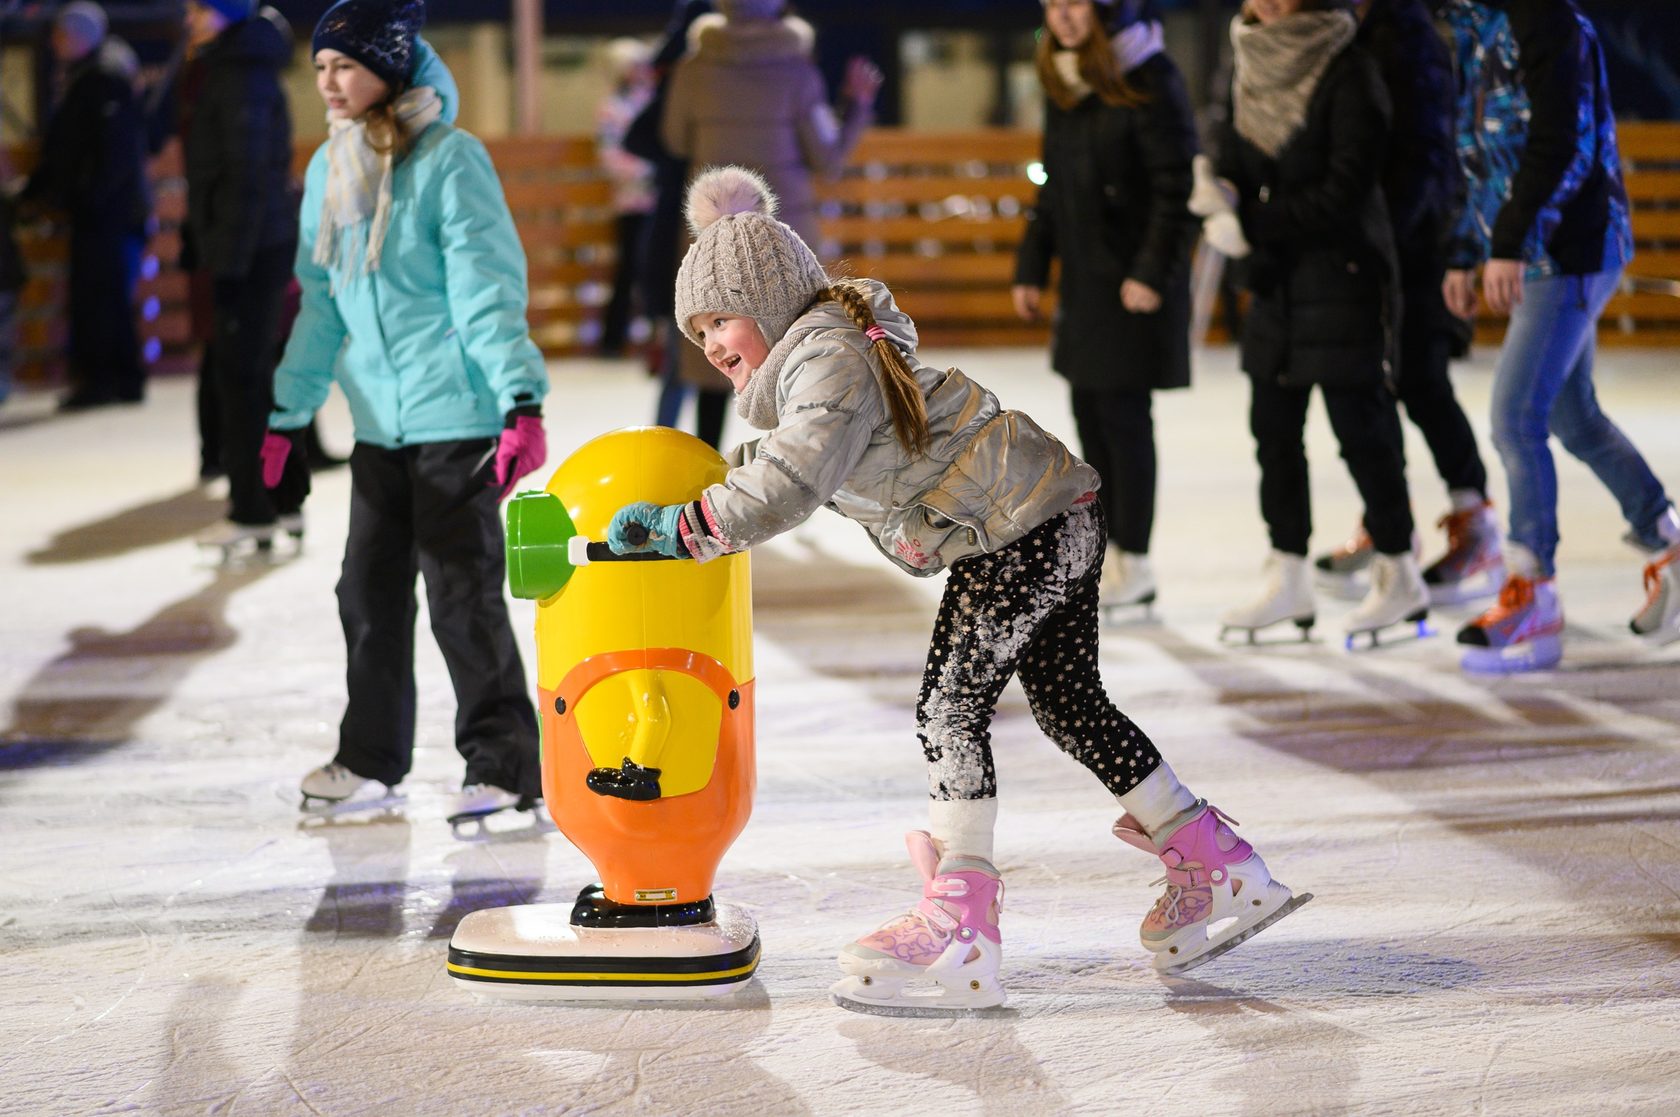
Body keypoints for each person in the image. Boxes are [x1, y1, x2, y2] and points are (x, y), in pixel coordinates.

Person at [607, 166, 1308, 1011]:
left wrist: (691, 527)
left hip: (1017, 528)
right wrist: (712, 489)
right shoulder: (827, 352)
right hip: (1052, 511)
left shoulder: (823, 358)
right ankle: (1215, 860)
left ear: (769, 298)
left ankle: (961, 922)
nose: (711, 341)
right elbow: (791, 457)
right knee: (1069, 702)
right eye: (699, 330)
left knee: (950, 707)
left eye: (721, 317)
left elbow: (792, 478)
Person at [264, 0, 550, 822]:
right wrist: (290, 411)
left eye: (345, 65)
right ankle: (371, 755)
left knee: (463, 594)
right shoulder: (331, 167)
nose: (328, 81)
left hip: (455, 414)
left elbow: (487, 288)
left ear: (389, 68)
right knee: (365, 591)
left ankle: (502, 762)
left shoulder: (451, 160)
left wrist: (518, 399)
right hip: (378, 424)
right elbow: (320, 303)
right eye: (320, 66)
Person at [1439, 0, 1680, 669]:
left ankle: (1533, 595)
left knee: (1516, 418)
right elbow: (1477, 149)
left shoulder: (1538, 15)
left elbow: (1562, 139)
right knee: (1574, 416)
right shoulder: (1475, 24)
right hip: (1539, 248)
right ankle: (1668, 540)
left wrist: (1510, 241)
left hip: (1569, 246)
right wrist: (1465, 248)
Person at [1203, 0, 1428, 645]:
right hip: (1275, 283)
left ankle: (1398, 568)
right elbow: (1233, 156)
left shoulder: (1348, 67)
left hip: (1343, 275)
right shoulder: (1243, 58)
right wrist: (1214, 184)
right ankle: (1290, 574)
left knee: (1363, 431)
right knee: (1273, 432)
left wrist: (1250, 225)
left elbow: (1346, 189)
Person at [1012, 0, 1200, 618]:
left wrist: (1151, 273)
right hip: (1087, 283)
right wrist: (1032, 267)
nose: (1063, 17)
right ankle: (1108, 555)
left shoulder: (1147, 76)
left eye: (1076, 4)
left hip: (1130, 283)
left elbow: (1177, 187)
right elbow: (1053, 185)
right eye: (1054, 5)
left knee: (1123, 417)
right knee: (1092, 415)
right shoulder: (1067, 82)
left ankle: (1136, 564)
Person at [1312, 0, 1503, 606]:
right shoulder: (1350, 30)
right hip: (1377, 244)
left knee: (1420, 381)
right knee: (1376, 385)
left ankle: (1476, 524)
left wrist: (1384, 238)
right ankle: (1389, 522)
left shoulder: (1408, 35)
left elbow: (1426, 155)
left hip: (1415, 246)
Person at [659, 0, 881, 448]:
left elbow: (673, 138)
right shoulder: (798, 71)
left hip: (713, 230)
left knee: (713, 349)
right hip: (783, 233)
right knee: (792, 344)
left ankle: (707, 463)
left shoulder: (693, 67)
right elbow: (828, 159)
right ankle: (799, 462)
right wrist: (857, 108)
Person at [180, 0, 302, 555]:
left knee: (243, 380)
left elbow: (247, 174)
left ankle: (254, 508)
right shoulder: (236, 67)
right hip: (255, 244)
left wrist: (228, 263)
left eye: (202, 10)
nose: (192, 20)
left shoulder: (239, 75)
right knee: (260, 375)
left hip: (248, 250)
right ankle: (285, 499)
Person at [20, 1, 149, 411]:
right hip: (101, 210)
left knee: (99, 297)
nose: (55, 43)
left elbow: (110, 152)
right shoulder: (87, 78)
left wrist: (88, 198)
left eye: (61, 35)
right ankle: (120, 378)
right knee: (105, 295)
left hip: (106, 214)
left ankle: (104, 379)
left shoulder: (102, 80)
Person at [595, 37, 657, 357]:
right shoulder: (614, 107)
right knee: (628, 270)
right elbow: (610, 154)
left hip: (659, 202)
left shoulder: (654, 100)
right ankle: (612, 341)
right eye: (634, 66)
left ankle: (656, 342)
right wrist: (647, 173)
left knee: (656, 271)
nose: (640, 71)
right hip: (631, 203)